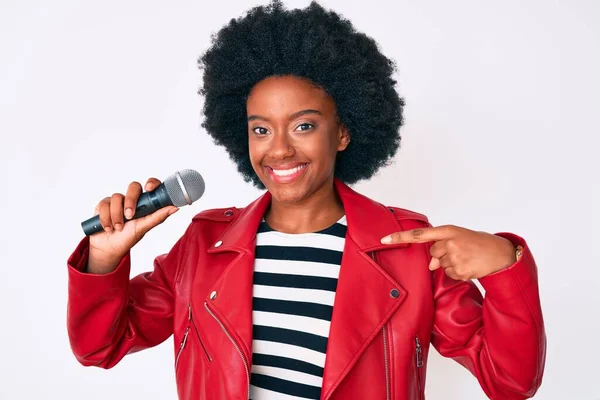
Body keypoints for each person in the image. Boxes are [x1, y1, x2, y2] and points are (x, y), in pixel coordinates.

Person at [66, 1, 546, 399]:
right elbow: (99, 348)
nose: (278, 149)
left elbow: (510, 381)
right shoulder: (203, 244)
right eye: (260, 128)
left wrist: (506, 268)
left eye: (303, 125)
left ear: (342, 132)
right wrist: (104, 260)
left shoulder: (410, 248)